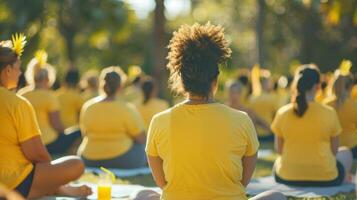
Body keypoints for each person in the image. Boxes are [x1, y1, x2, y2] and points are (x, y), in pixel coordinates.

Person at [146, 23, 285, 200]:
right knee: (277, 196)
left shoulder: (159, 121)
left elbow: (162, 183)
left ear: (181, 80)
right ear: (215, 80)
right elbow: (243, 182)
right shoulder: (242, 119)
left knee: (142, 194)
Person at [0, 36, 91, 199]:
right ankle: (55, 188)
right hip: (14, 182)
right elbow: (37, 155)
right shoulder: (17, 103)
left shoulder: (22, 95)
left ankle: (53, 188)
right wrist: (52, 177)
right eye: (18, 68)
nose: (20, 73)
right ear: (7, 70)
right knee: (76, 164)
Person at [271, 64, 352, 186]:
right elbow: (334, 151)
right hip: (325, 177)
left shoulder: (282, 113)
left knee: (278, 162)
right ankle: (345, 179)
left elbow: (279, 150)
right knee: (346, 153)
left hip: (287, 177)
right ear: (318, 86)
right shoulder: (329, 112)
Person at [78, 66, 147, 169]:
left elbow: (84, 134)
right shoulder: (127, 108)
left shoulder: (88, 107)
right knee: (143, 148)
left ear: (101, 85)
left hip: (89, 159)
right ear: (120, 87)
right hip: (120, 159)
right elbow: (141, 139)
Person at [20, 51, 81, 155]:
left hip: (26, 143)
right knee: (79, 132)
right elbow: (56, 125)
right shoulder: (50, 97)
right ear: (48, 78)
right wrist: (66, 132)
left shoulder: (22, 94)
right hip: (48, 143)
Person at [324, 73, 357, 159]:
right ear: (351, 87)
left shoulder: (326, 104)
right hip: (352, 148)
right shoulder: (355, 105)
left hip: (330, 148)